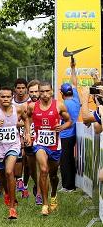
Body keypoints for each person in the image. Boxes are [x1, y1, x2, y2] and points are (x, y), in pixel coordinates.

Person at [25, 82, 72, 216]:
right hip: (39, 144)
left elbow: (69, 121)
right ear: (39, 92)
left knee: (53, 174)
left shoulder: (59, 105)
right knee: (43, 170)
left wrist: (62, 127)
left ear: (52, 91)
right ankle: (45, 204)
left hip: (55, 145)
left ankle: (53, 194)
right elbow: (27, 117)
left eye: (47, 91)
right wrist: (28, 133)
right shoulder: (33, 106)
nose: (44, 94)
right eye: (42, 92)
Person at [0, 86, 28, 219]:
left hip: (13, 145)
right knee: (3, 176)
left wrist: (27, 134)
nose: (5, 99)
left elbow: (26, 119)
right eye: (3, 97)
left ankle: (12, 207)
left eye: (8, 97)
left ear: (12, 97)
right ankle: (7, 193)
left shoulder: (18, 109)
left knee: (9, 171)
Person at [59, 59, 80, 192]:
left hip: (65, 134)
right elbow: (74, 83)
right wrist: (73, 68)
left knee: (65, 161)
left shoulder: (63, 105)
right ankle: (69, 184)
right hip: (72, 134)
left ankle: (68, 186)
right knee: (69, 160)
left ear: (62, 94)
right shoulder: (76, 98)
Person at [12, 78, 30, 197]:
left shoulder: (30, 101)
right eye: (18, 88)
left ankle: (25, 183)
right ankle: (19, 180)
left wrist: (27, 131)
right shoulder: (10, 101)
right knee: (18, 158)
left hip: (28, 132)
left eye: (23, 88)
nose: (21, 90)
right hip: (14, 134)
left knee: (28, 161)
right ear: (15, 89)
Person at [26, 79, 41, 205]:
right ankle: (37, 184)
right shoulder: (28, 106)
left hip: (43, 139)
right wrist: (27, 133)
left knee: (43, 167)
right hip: (31, 138)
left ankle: (40, 193)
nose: (34, 94)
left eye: (36, 91)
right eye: (31, 92)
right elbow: (25, 121)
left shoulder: (50, 104)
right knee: (32, 167)